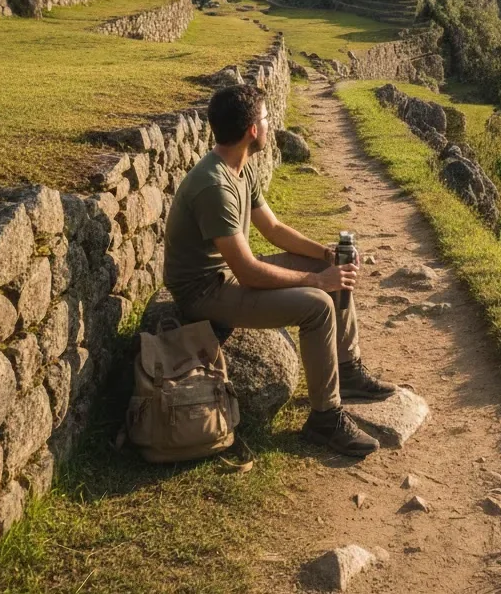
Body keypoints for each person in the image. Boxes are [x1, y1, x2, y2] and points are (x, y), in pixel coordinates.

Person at [163, 83, 395, 457]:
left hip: (230, 275)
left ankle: (347, 371)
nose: (271, 124)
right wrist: (318, 281)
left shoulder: (241, 167)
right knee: (317, 305)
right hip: (204, 293)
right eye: (267, 118)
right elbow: (249, 272)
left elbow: (272, 229)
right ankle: (325, 419)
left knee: (330, 266)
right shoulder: (214, 186)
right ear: (253, 130)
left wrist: (325, 255)